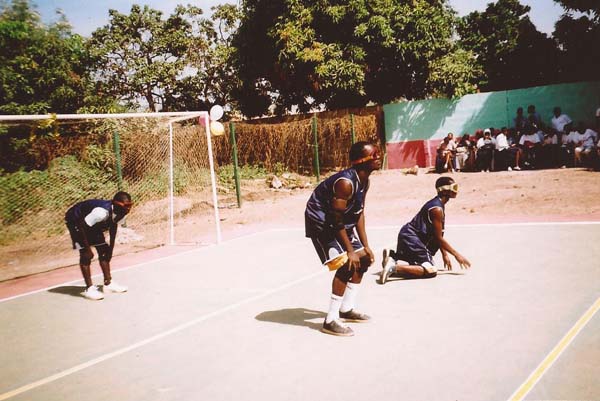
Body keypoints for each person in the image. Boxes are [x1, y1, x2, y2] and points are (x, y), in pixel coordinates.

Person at [305, 141, 381, 336]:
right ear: (361, 160)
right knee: (346, 264)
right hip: (322, 224)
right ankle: (330, 320)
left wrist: (366, 246)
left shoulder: (365, 181)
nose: (378, 157)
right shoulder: (345, 183)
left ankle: (346, 309)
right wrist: (349, 250)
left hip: (339, 223)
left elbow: (359, 213)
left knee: (364, 259)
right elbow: (334, 218)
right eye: (374, 155)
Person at [380, 176, 471, 284]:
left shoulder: (437, 205)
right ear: (445, 190)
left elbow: (438, 234)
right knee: (431, 270)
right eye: (454, 187)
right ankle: (393, 268)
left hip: (408, 235)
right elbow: (438, 238)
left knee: (417, 262)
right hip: (411, 237)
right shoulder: (437, 209)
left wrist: (444, 254)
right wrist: (457, 255)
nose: (456, 190)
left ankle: (393, 257)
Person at [65, 191, 133, 300]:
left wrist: (110, 249)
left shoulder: (121, 213)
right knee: (86, 255)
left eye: (129, 205)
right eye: (125, 205)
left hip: (90, 223)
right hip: (76, 223)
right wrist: (87, 249)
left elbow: (113, 229)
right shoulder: (101, 213)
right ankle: (89, 289)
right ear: (115, 204)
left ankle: (108, 283)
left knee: (104, 251)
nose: (128, 209)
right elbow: (81, 226)